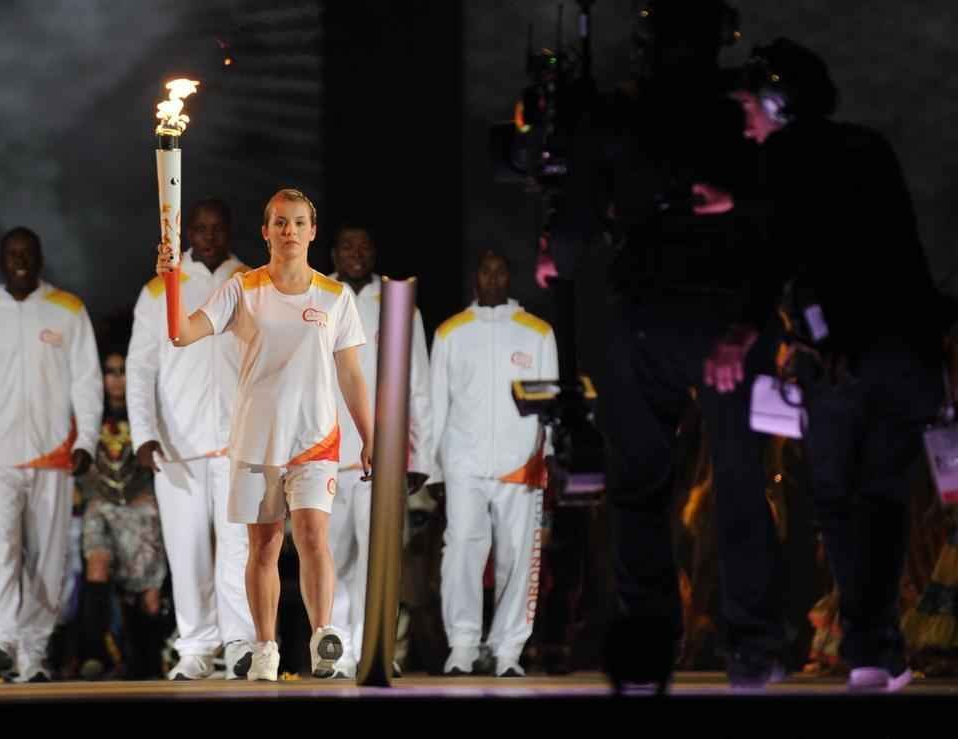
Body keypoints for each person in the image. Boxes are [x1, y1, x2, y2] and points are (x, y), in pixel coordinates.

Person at [720, 37, 956, 692]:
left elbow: (780, 245)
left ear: (777, 102)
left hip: (845, 358)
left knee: (837, 498)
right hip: (906, 353)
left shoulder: (785, 157)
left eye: (750, 107)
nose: (746, 121)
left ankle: (870, 650)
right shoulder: (867, 149)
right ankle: (878, 650)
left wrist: (742, 331)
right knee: (881, 498)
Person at [573, 0, 788, 690]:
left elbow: (576, 227)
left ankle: (658, 646)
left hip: (658, 318)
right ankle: (748, 645)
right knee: (733, 483)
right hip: (714, 320)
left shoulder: (626, 111)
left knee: (653, 487)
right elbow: (779, 221)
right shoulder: (740, 114)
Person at [158, 188, 372, 681]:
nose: (289, 231)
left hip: (316, 440)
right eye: (280, 223)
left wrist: (370, 437)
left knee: (315, 537)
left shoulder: (335, 297)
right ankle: (266, 647)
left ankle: (324, 640)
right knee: (264, 547)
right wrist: (171, 280)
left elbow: (352, 375)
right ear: (265, 231)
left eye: (298, 223)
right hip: (256, 442)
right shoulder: (242, 288)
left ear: (312, 231)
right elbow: (181, 334)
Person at [0, 227, 103, 682]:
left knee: (49, 560)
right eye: (12, 253)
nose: (20, 260)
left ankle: (33, 654)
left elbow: (87, 383)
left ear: (39, 259)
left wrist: (86, 441)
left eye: (28, 253)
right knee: (1, 548)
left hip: (52, 455)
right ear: (1, 260)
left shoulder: (69, 311)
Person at [128, 199, 256, 680]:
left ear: (229, 232)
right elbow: (141, 367)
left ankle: (241, 642)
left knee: (238, 549)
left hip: (238, 442)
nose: (208, 236)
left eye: (217, 228)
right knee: (187, 552)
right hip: (177, 446)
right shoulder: (161, 288)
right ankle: (197, 647)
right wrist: (144, 433)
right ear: (187, 233)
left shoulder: (252, 283)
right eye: (199, 229)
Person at [429, 251, 558, 677]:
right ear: (475, 277)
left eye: (501, 270)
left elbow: (548, 405)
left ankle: (508, 652)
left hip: (520, 463)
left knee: (517, 556)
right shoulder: (451, 332)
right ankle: (462, 647)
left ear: (510, 277)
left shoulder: (537, 332)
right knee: (462, 549)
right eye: (486, 270)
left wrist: (549, 455)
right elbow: (435, 403)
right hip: (463, 459)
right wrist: (434, 468)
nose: (493, 277)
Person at [326, 224, 433, 677]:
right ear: (333, 251)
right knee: (332, 559)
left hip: (383, 459)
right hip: (325, 454)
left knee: (379, 562)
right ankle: (336, 652)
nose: (356, 253)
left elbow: (419, 384)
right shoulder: (314, 297)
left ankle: (376, 649)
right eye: (348, 246)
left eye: (365, 247)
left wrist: (421, 457)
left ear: (374, 254)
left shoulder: (397, 303)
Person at [77, 349, 168, 680]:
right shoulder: (89, 412)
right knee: (97, 566)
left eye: (123, 370)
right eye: (110, 371)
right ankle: (93, 654)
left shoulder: (146, 411)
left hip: (140, 507)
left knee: (148, 594)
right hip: (101, 505)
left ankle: (146, 664)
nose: (117, 378)